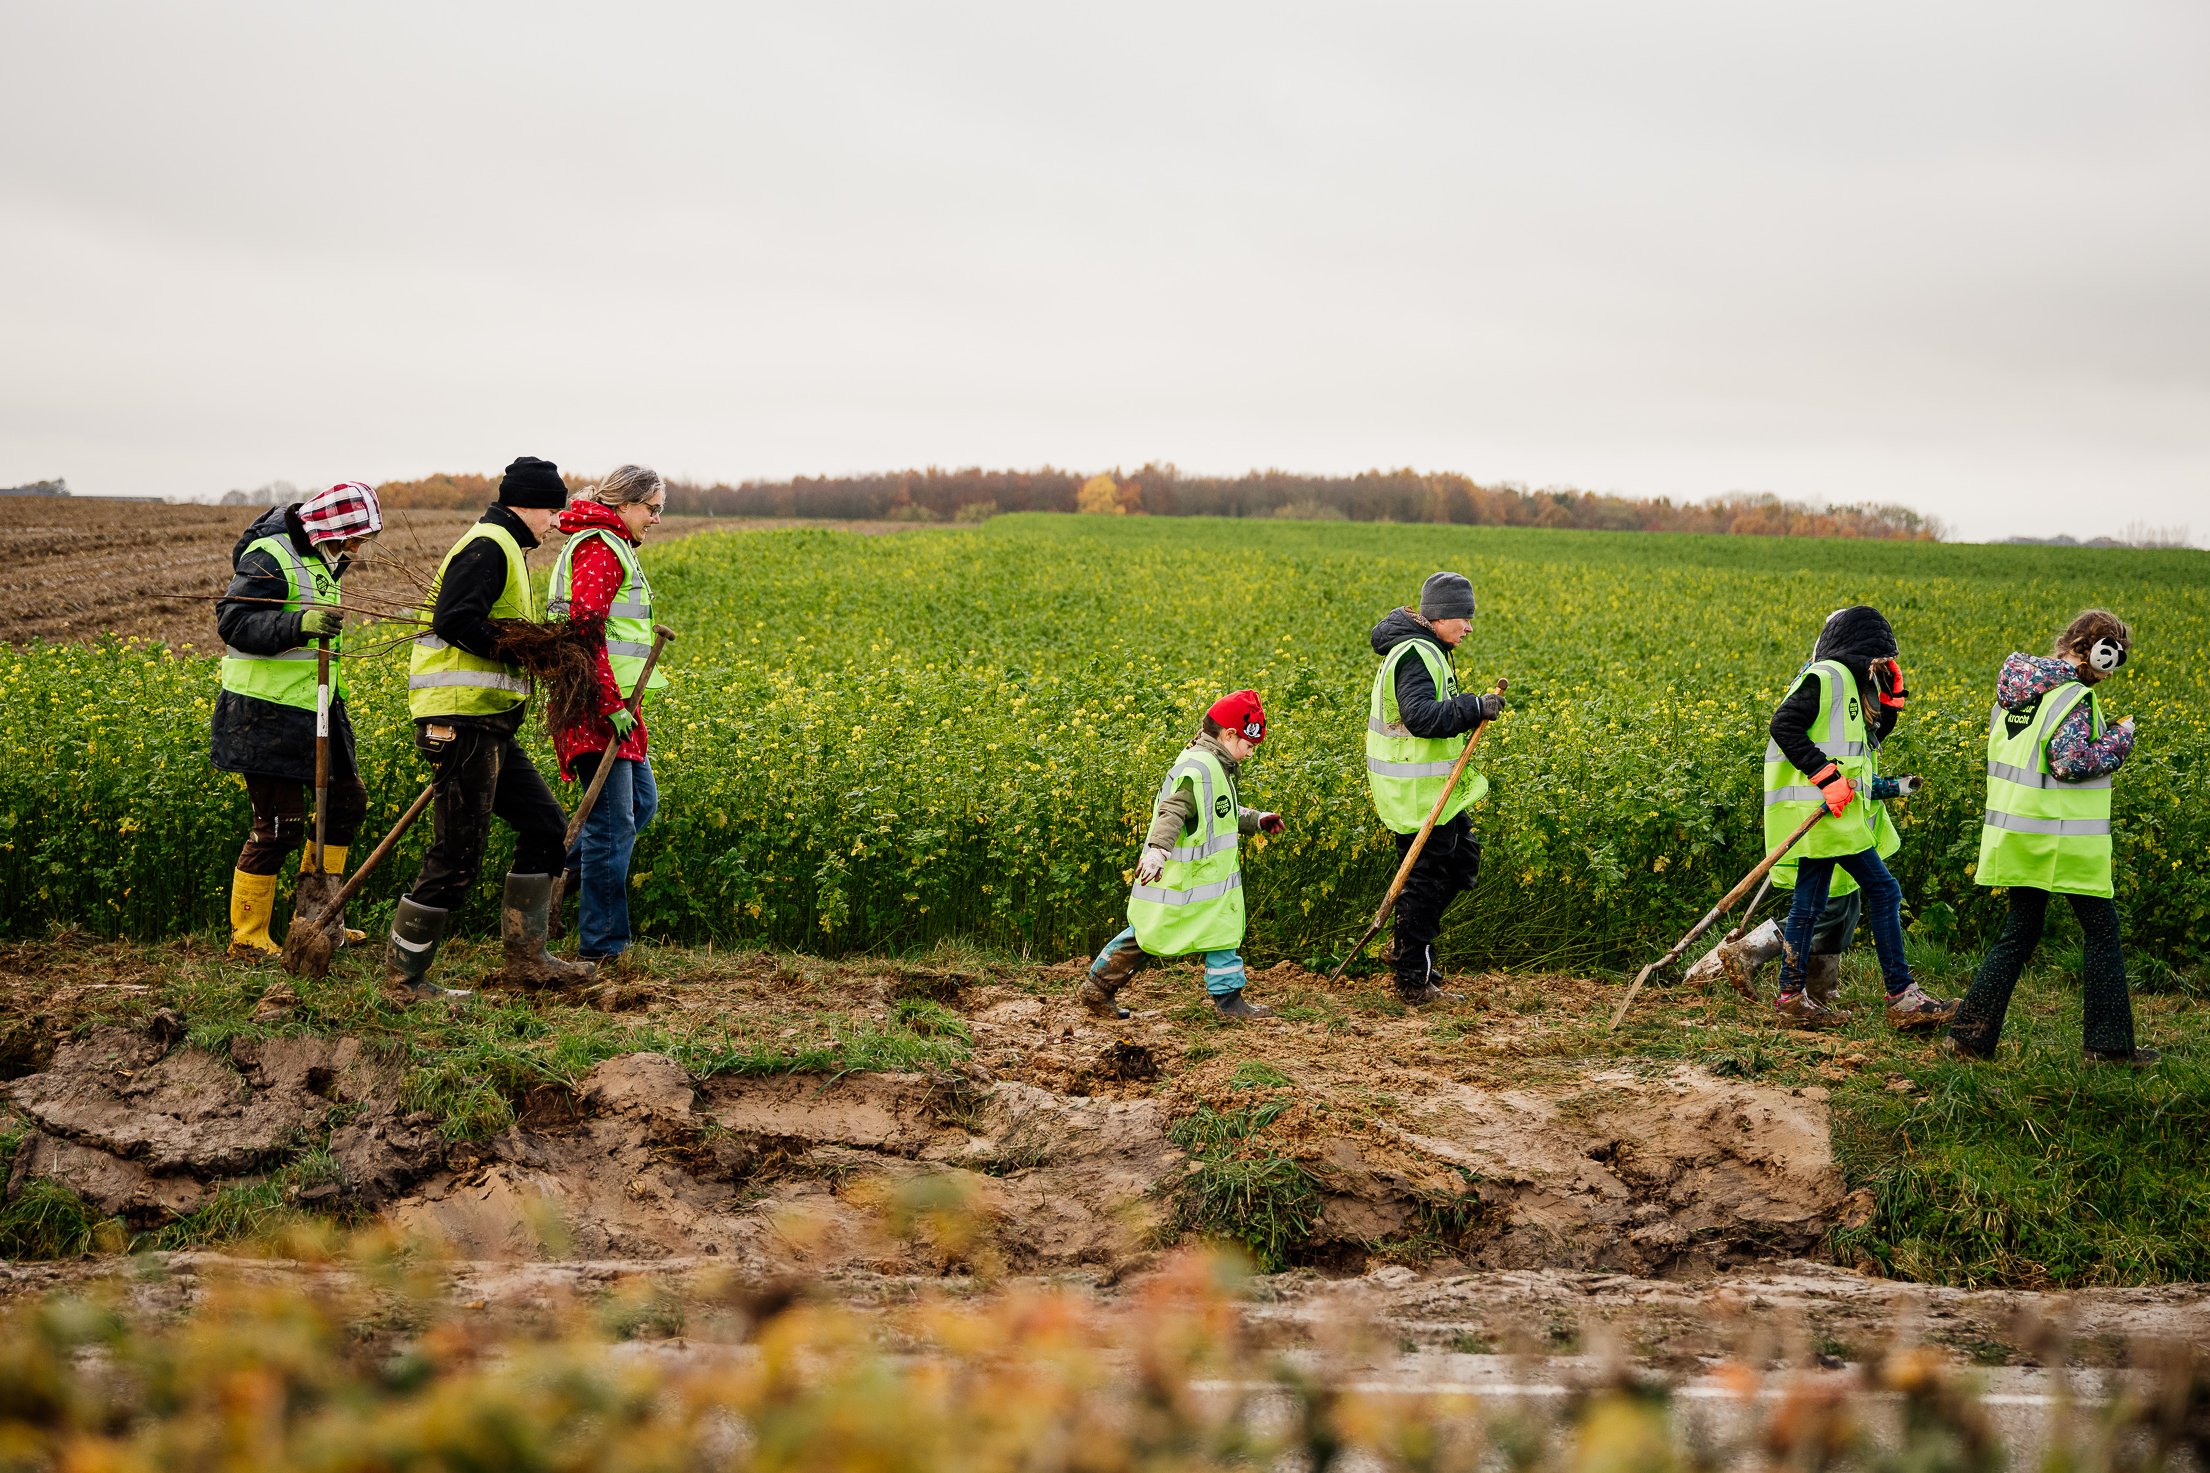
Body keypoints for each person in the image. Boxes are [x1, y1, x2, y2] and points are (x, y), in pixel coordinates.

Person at [386, 455, 593, 1000]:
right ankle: (403, 980)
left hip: (488, 724)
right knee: (456, 855)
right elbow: (453, 621)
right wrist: (519, 646)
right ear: (527, 504)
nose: (556, 520)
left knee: (546, 826)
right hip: (459, 720)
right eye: (553, 509)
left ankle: (528, 962)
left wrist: (532, 646)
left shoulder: (510, 550)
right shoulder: (489, 546)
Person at [1946, 611, 2156, 1067]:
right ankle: (2108, 1048)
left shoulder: (2016, 693)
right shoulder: (2072, 697)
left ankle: (1969, 1037)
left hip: (2019, 832)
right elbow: (2071, 762)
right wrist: (2120, 739)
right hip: (2061, 839)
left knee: (2020, 931)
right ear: (2099, 651)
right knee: (2102, 930)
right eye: (2112, 658)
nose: (2111, 671)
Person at [213, 481, 382, 956]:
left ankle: (319, 918)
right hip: (264, 712)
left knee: (344, 805)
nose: (358, 547)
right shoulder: (271, 556)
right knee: (279, 825)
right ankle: (247, 940)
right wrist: (299, 624)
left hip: (319, 706)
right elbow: (234, 622)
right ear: (330, 525)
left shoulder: (326, 558)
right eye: (355, 536)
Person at [1762, 605, 1950, 1029]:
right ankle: (1901, 995)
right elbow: (1784, 725)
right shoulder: (1827, 676)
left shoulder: (1848, 682)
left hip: (1833, 812)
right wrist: (1826, 776)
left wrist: (1892, 705)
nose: (1884, 666)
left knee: (1808, 905)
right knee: (1884, 892)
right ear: (1860, 651)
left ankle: (1791, 997)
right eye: (1880, 659)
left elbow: (1866, 741)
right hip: (1825, 809)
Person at [1078, 691, 1285, 1022]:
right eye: (1249, 745)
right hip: (1182, 882)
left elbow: (1219, 812)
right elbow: (1173, 810)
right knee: (1150, 933)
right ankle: (1098, 987)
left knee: (1222, 935)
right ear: (1229, 735)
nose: (1249, 754)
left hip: (1211, 887)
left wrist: (1256, 819)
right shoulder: (1199, 768)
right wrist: (1158, 851)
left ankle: (1229, 1003)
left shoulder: (1215, 764)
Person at [546, 465, 670, 966]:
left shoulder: (612, 543)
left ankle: (554, 883)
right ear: (625, 504)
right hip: (597, 703)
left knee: (641, 804)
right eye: (652, 508)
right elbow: (584, 631)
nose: (656, 520)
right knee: (612, 827)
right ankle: (603, 946)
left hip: (615, 704)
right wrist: (610, 703)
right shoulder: (599, 547)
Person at [1364, 572, 1502, 1003]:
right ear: (1440, 615)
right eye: (1463, 616)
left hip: (1433, 793)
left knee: (1462, 862)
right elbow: (1421, 716)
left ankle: (1407, 945)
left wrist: (1471, 707)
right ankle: (1412, 979)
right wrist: (1472, 707)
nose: (1469, 626)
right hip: (1416, 796)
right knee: (1426, 880)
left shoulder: (1430, 649)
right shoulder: (1416, 654)